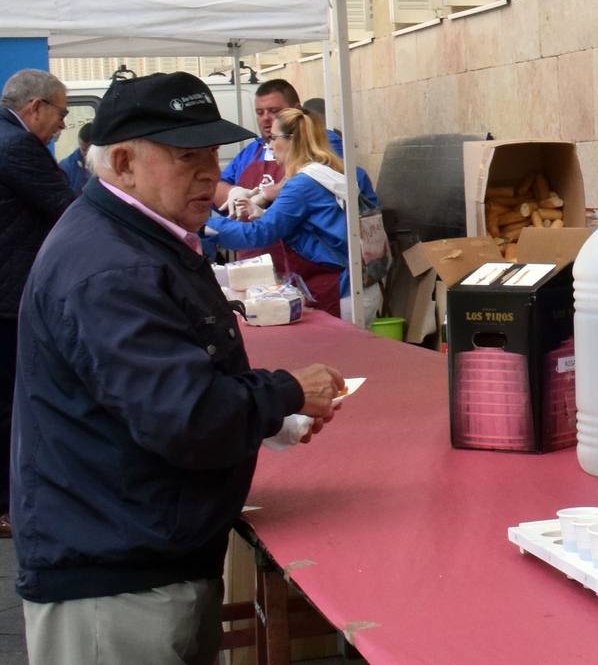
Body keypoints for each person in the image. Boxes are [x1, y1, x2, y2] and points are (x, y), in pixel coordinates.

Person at [13, 72, 342, 665]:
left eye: (211, 154)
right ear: (123, 162)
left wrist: (267, 418)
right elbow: (184, 416)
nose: (208, 173)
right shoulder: (111, 265)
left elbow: (169, 383)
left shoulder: (141, 240)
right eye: (186, 156)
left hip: (144, 550)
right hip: (116, 575)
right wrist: (285, 392)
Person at [0, 70, 75, 540]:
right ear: (35, 108)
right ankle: (9, 504)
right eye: (62, 114)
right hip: (9, 296)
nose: (63, 125)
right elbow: (69, 210)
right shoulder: (17, 146)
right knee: (9, 401)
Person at [205, 108, 364, 318]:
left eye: (273, 138)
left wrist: (204, 227)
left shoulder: (302, 184)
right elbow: (315, 225)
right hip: (354, 280)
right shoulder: (326, 170)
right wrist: (262, 212)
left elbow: (259, 234)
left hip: (339, 285)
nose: (270, 146)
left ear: (291, 140)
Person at [214, 79, 375, 232]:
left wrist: (266, 194)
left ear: (297, 110)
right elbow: (215, 186)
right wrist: (233, 192)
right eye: (259, 112)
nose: (265, 119)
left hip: (303, 255)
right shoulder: (251, 151)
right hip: (254, 254)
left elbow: (322, 175)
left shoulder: (321, 140)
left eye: (274, 111)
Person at [56, 123, 93, 196]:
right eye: (83, 149)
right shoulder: (65, 167)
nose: (85, 154)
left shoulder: (106, 163)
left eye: (89, 150)